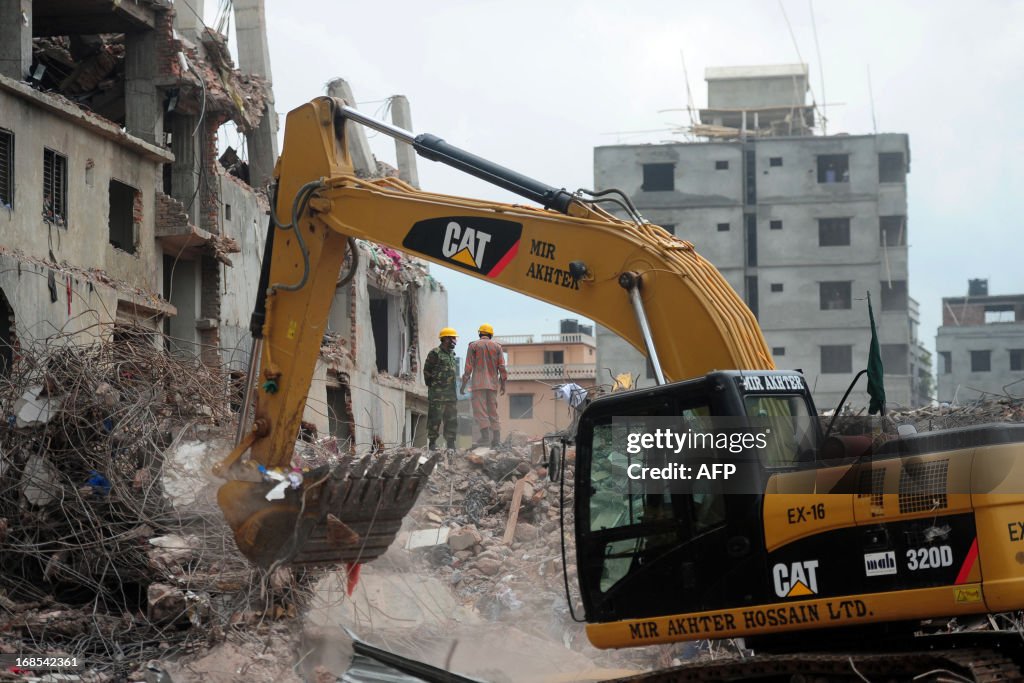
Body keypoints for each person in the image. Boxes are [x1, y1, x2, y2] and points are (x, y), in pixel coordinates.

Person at [460, 323, 507, 448]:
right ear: (490, 335)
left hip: (478, 384)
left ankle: (485, 437)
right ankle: (496, 440)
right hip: (492, 384)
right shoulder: (497, 347)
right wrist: (503, 384)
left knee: (480, 411)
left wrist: (463, 385)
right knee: (493, 410)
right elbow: (502, 367)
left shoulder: (473, 346)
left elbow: (468, 367)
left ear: (479, 334)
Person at [423, 327, 459, 451]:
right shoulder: (435, 353)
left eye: (455, 338)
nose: (455, 341)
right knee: (435, 418)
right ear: (445, 339)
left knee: (452, 419)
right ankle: (432, 443)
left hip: (451, 395)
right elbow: (427, 371)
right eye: (452, 338)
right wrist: (434, 387)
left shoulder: (452, 355)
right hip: (437, 394)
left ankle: (451, 444)